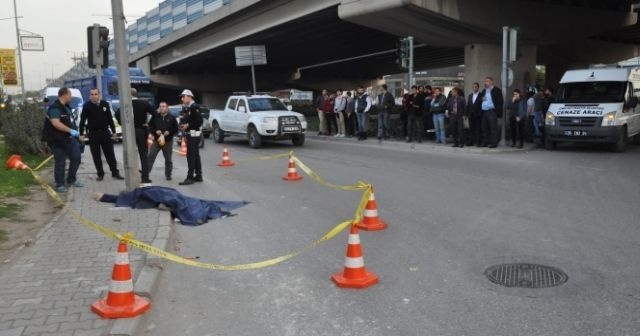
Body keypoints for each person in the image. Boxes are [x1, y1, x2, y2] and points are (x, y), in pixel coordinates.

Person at [41, 87, 83, 193]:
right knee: (60, 161)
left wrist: (77, 136)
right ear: (64, 95)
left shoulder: (67, 107)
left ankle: (71, 179)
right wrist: (70, 131)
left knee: (76, 157)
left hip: (68, 138)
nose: (71, 97)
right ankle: (60, 184)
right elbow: (55, 123)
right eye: (70, 95)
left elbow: (71, 123)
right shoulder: (55, 108)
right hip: (56, 140)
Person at [79, 88, 123, 181]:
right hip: (93, 134)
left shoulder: (105, 104)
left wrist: (114, 132)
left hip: (105, 133)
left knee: (110, 154)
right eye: (92, 94)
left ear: (99, 94)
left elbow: (110, 119)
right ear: (90, 95)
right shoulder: (86, 105)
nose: (94, 96)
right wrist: (81, 134)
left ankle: (115, 173)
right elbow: (82, 120)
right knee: (96, 155)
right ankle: (100, 174)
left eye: (95, 94)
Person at [116, 88, 155, 183]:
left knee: (130, 154)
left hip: (129, 132)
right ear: (136, 94)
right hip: (141, 131)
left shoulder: (125, 105)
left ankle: (131, 177)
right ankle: (145, 178)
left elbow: (117, 115)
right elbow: (155, 114)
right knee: (143, 155)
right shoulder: (144, 103)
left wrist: (123, 124)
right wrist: (149, 124)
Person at [178, 89, 203, 185]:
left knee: (191, 156)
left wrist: (187, 125)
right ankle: (199, 175)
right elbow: (187, 119)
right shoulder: (188, 107)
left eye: (183, 97)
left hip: (194, 135)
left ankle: (190, 177)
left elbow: (199, 121)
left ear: (189, 97)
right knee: (195, 156)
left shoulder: (194, 107)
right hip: (190, 135)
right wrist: (183, 123)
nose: (182, 99)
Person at [148, 101, 179, 181]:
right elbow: (150, 126)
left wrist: (169, 132)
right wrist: (155, 131)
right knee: (151, 156)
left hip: (167, 141)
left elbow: (176, 129)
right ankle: (146, 173)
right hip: (157, 140)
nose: (161, 108)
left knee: (168, 159)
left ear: (167, 108)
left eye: (163, 106)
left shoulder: (172, 117)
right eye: (160, 106)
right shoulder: (155, 116)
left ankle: (168, 174)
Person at [479, 76, 504, 148]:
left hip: (492, 111)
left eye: (487, 81)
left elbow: (500, 102)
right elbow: (482, 100)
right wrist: (482, 99)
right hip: (484, 111)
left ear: (491, 82)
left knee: (493, 128)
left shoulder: (497, 90)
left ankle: (493, 143)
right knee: (484, 128)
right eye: (485, 81)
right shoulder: (484, 90)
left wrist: (496, 111)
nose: (485, 82)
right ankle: (485, 142)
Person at [466, 82, 482, 146]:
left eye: (476, 87)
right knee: (471, 129)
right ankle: (471, 141)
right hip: (471, 115)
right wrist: (466, 114)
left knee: (478, 129)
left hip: (478, 115)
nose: (474, 88)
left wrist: (480, 113)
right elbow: (468, 105)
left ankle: (478, 142)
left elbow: (482, 105)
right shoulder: (470, 95)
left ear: (478, 87)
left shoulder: (481, 95)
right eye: (473, 87)